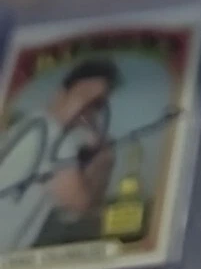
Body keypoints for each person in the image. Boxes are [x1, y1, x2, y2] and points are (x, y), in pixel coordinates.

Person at [0, 57, 119, 252]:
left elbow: (66, 212)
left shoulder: (30, 124)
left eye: (96, 104)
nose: (86, 108)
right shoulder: (56, 138)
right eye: (83, 96)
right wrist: (104, 163)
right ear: (60, 94)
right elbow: (78, 205)